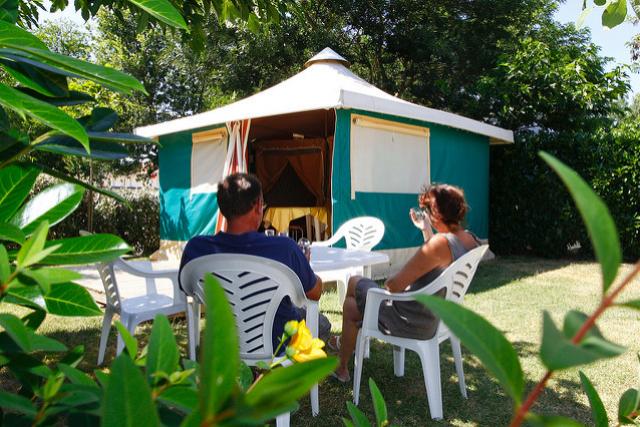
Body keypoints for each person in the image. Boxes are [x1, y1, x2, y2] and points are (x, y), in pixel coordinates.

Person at [331, 183, 480, 382]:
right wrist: (426, 229)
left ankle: (342, 363)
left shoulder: (438, 244)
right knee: (352, 305)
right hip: (439, 316)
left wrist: (428, 239)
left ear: (435, 213)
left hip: (411, 319)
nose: (425, 214)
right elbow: (440, 257)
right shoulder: (470, 239)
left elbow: (393, 286)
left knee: (354, 285)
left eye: (427, 210)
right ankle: (342, 355)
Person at [179, 172, 331, 351]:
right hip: (278, 343)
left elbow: (186, 289)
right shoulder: (285, 248)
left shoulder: (196, 249)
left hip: (226, 343)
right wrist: (304, 266)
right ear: (259, 206)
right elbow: (314, 293)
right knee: (323, 325)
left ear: (222, 208)